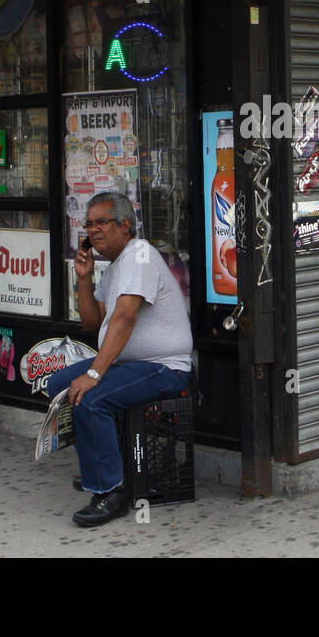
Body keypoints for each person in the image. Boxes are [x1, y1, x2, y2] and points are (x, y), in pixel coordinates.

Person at [47, 192, 192, 528]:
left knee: (90, 398)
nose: (93, 231)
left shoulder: (140, 255)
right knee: (57, 385)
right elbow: (92, 323)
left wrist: (95, 374)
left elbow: (124, 318)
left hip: (165, 367)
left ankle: (110, 491)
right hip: (130, 365)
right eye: (89, 224)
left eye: (101, 222)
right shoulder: (116, 266)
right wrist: (83, 278)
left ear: (125, 225)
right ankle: (100, 463)